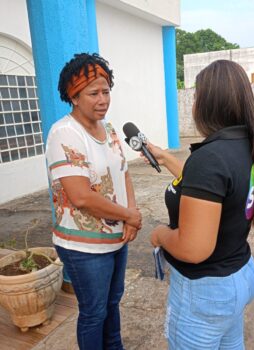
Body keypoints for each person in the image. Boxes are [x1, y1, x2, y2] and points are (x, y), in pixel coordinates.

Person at [145, 59, 254, 349]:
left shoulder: (210, 158)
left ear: (208, 104)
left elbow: (193, 248)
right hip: (238, 275)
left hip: (206, 290)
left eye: (197, 96)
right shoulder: (243, 144)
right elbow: (212, 194)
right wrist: (167, 159)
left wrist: (161, 235)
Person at [45, 53, 142, 350]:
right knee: (93, 313)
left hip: (115, 239)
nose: (102, 99)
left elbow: (123, 174)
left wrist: (132, 213)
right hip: (83, 246)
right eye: (93, 93)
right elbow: (81, 196)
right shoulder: (64, 133)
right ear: (73, 97)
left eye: (106, 91)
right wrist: (128, 214)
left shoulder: (109, 129)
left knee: (112, 304)